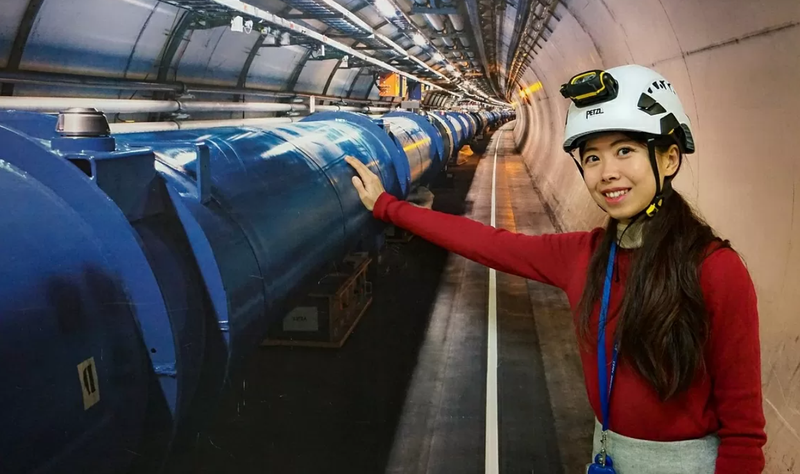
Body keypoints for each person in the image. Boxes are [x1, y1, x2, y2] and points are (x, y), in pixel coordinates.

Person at [344, 64, 766, 473]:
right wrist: (388, 206)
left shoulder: (715, 271)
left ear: (669, 158)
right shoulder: (582, 256)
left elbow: (744, 433)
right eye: (593, 157)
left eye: (625, 150)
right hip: (607, 457)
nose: (608, 173)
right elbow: (487, 243)